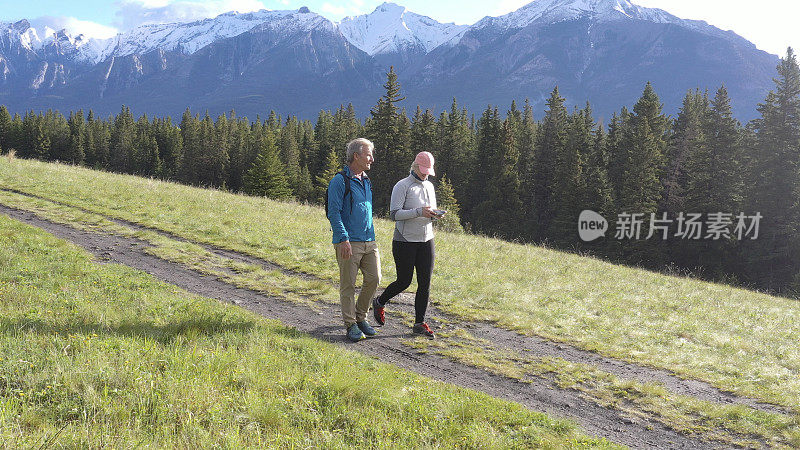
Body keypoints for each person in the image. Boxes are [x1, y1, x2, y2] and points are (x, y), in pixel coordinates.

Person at [372, 151, 440, 338]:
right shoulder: (402, 186)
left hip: (427, 239)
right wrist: (418, 211)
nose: (425, 174)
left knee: (425, 282)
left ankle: (419, 323)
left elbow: (428, 212)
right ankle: (379, 301)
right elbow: (394, 214)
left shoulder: (429, 186)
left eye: (428, 171)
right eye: (423, 170)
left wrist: (434, 215)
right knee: (404, 281)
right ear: (415, 166)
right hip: (405, 240)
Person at [327, 138, 381, 342]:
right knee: (348, 285)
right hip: (348, 241)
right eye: (369, 155)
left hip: (369, 240)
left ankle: (361, 317)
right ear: (356, 156)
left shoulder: (366, 180)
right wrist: (343, 239)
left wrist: (372, 236)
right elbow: (333, 212)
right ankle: (350, 324)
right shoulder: (340, 181)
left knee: (375, 278)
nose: (372, 159)